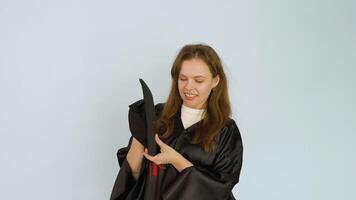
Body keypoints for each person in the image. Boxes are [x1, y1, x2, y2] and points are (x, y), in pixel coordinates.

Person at [110, 43, 243, 200]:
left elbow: (221, 189)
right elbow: (131, 175)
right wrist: (139, 138)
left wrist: (176, 160)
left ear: (215, 81)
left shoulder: (226, 130)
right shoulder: (156, 116)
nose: (188, 87)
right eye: (183, 78)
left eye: (198, 80)